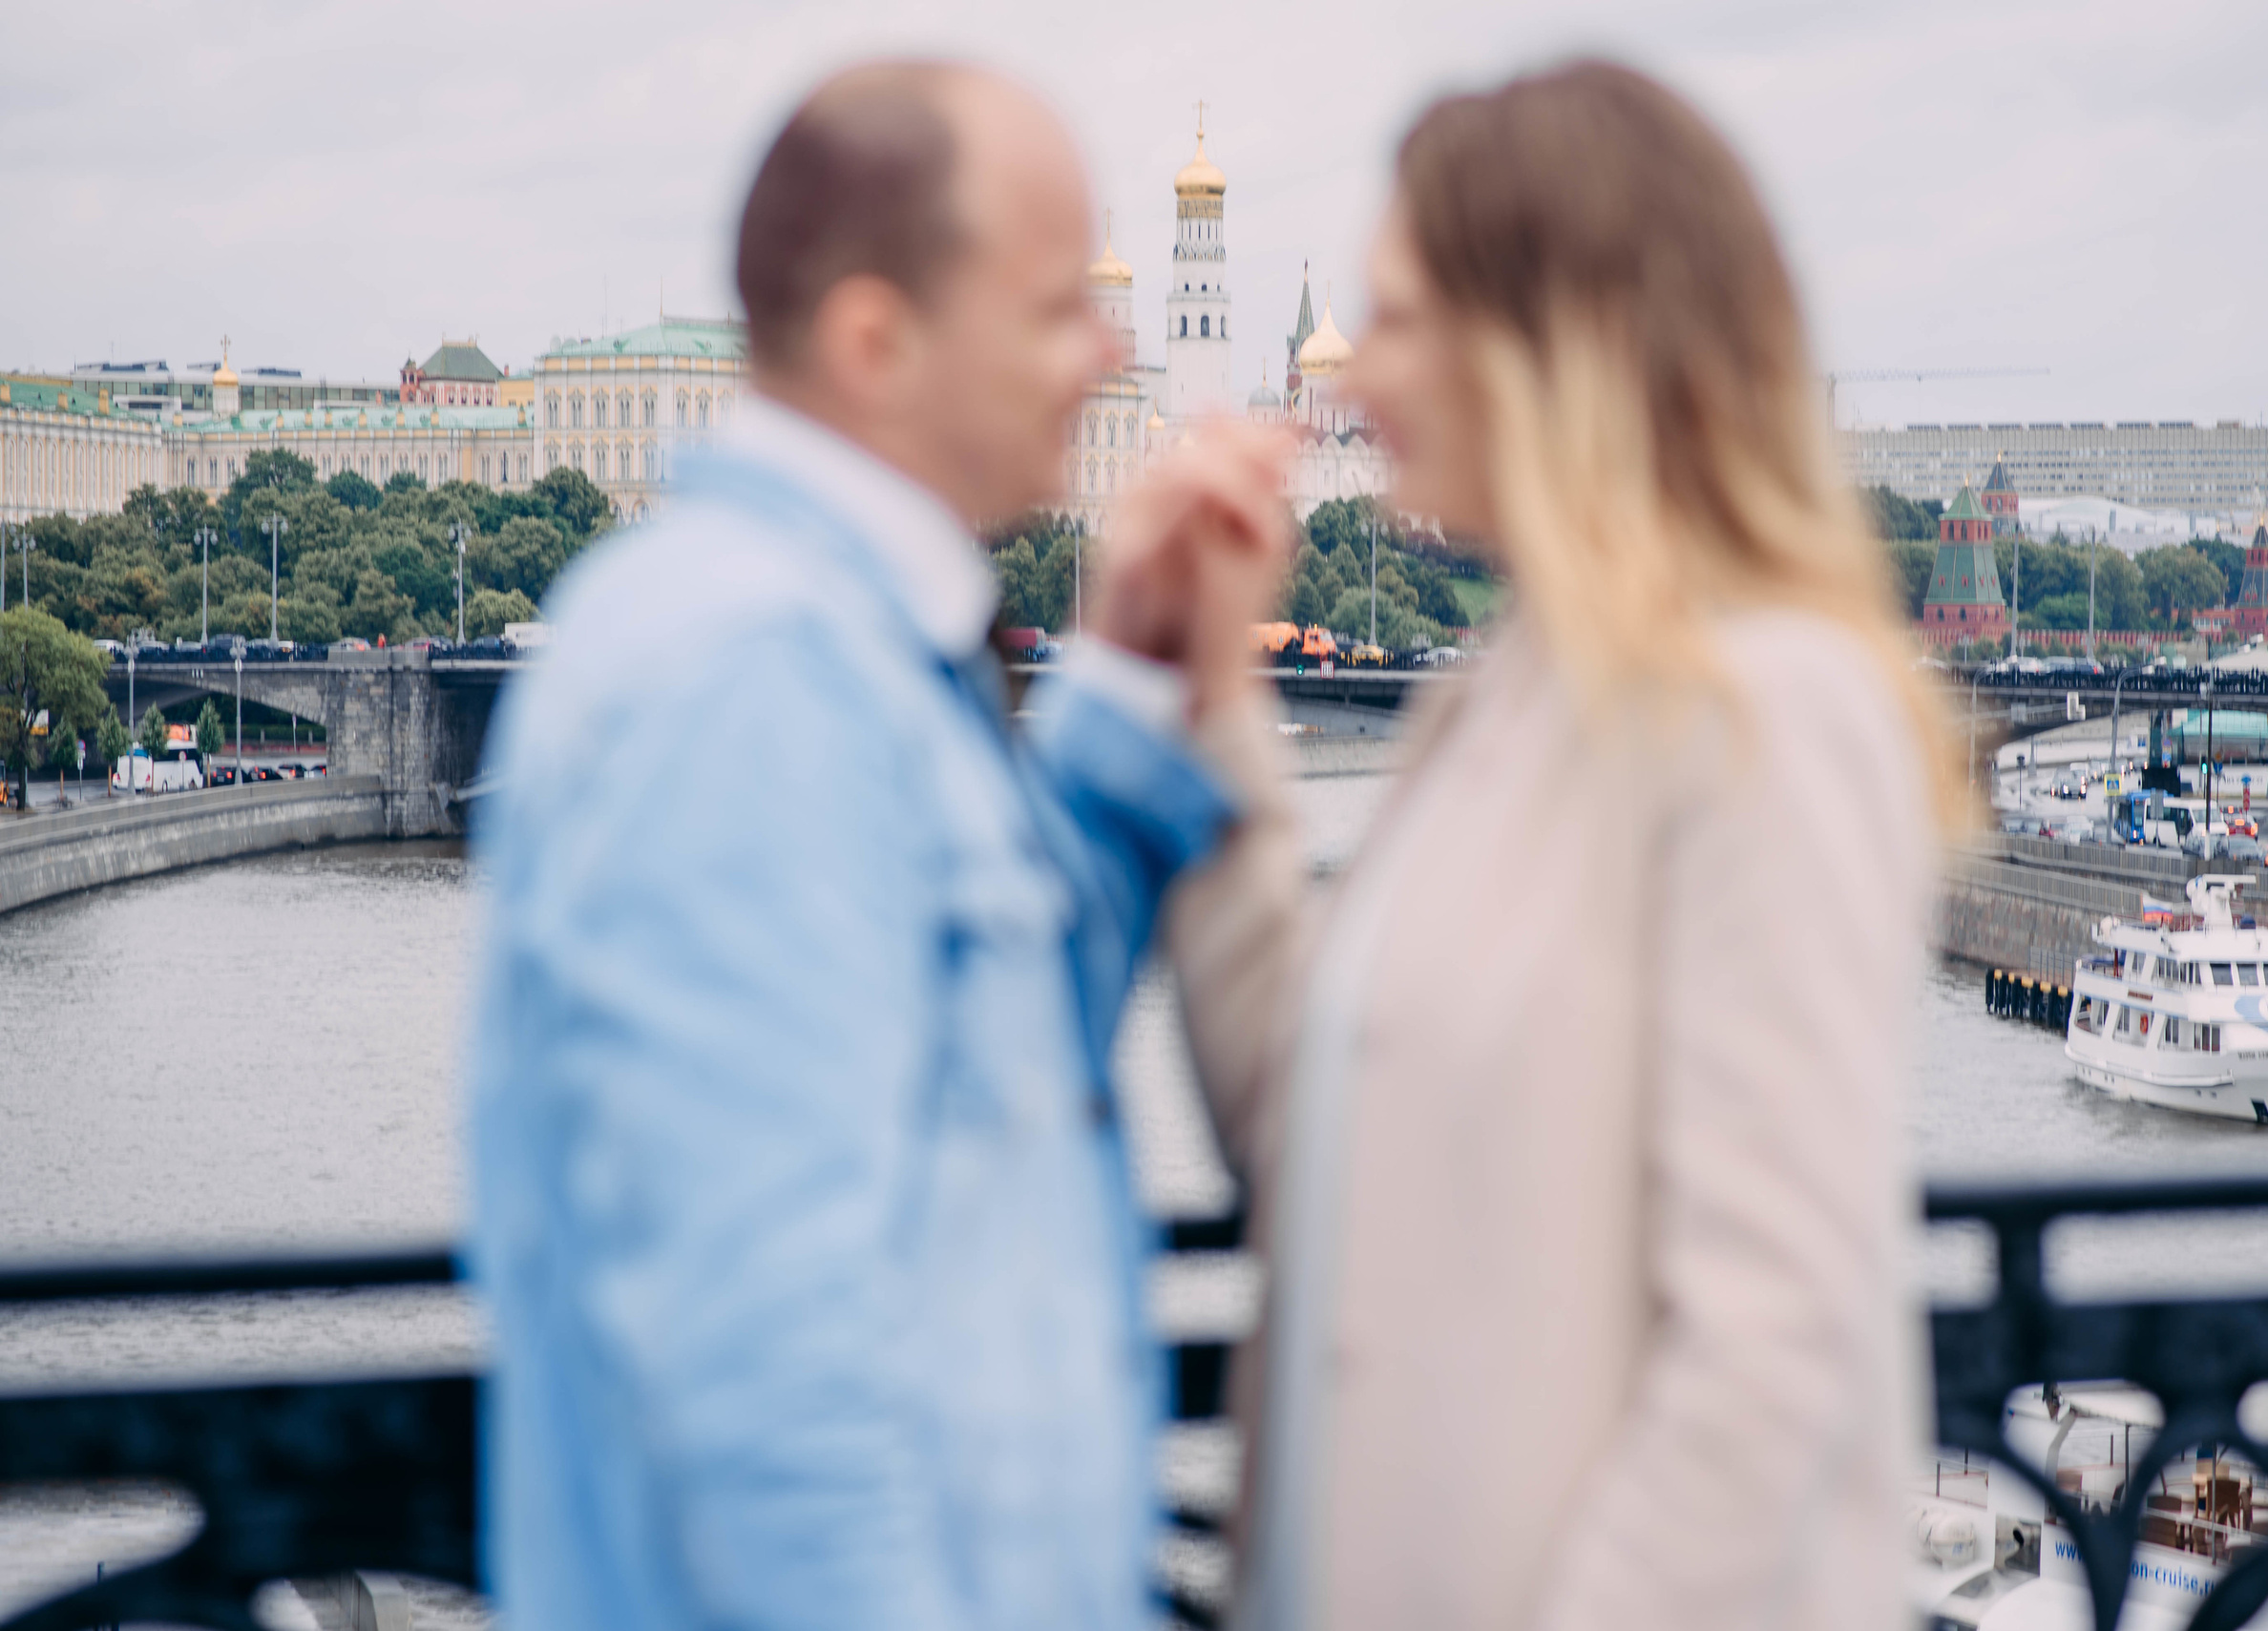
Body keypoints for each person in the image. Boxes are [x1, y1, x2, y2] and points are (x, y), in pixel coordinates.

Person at [464, 63, 1288, 1631]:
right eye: (1057, 307)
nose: (1108, 352)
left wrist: (1117, 688)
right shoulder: (749, 680)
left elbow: (990, 1059)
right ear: (873, 339)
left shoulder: (827, 639)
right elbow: (773, 1383)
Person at [1164, 60, 1967, 1631]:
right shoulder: (1503, 702)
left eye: (1393, 320)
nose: (1341, 378)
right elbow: (1312, 1133)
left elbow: (1769, 1350)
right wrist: (1205, 693)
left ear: (1549, 345)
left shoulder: (1771, 711)